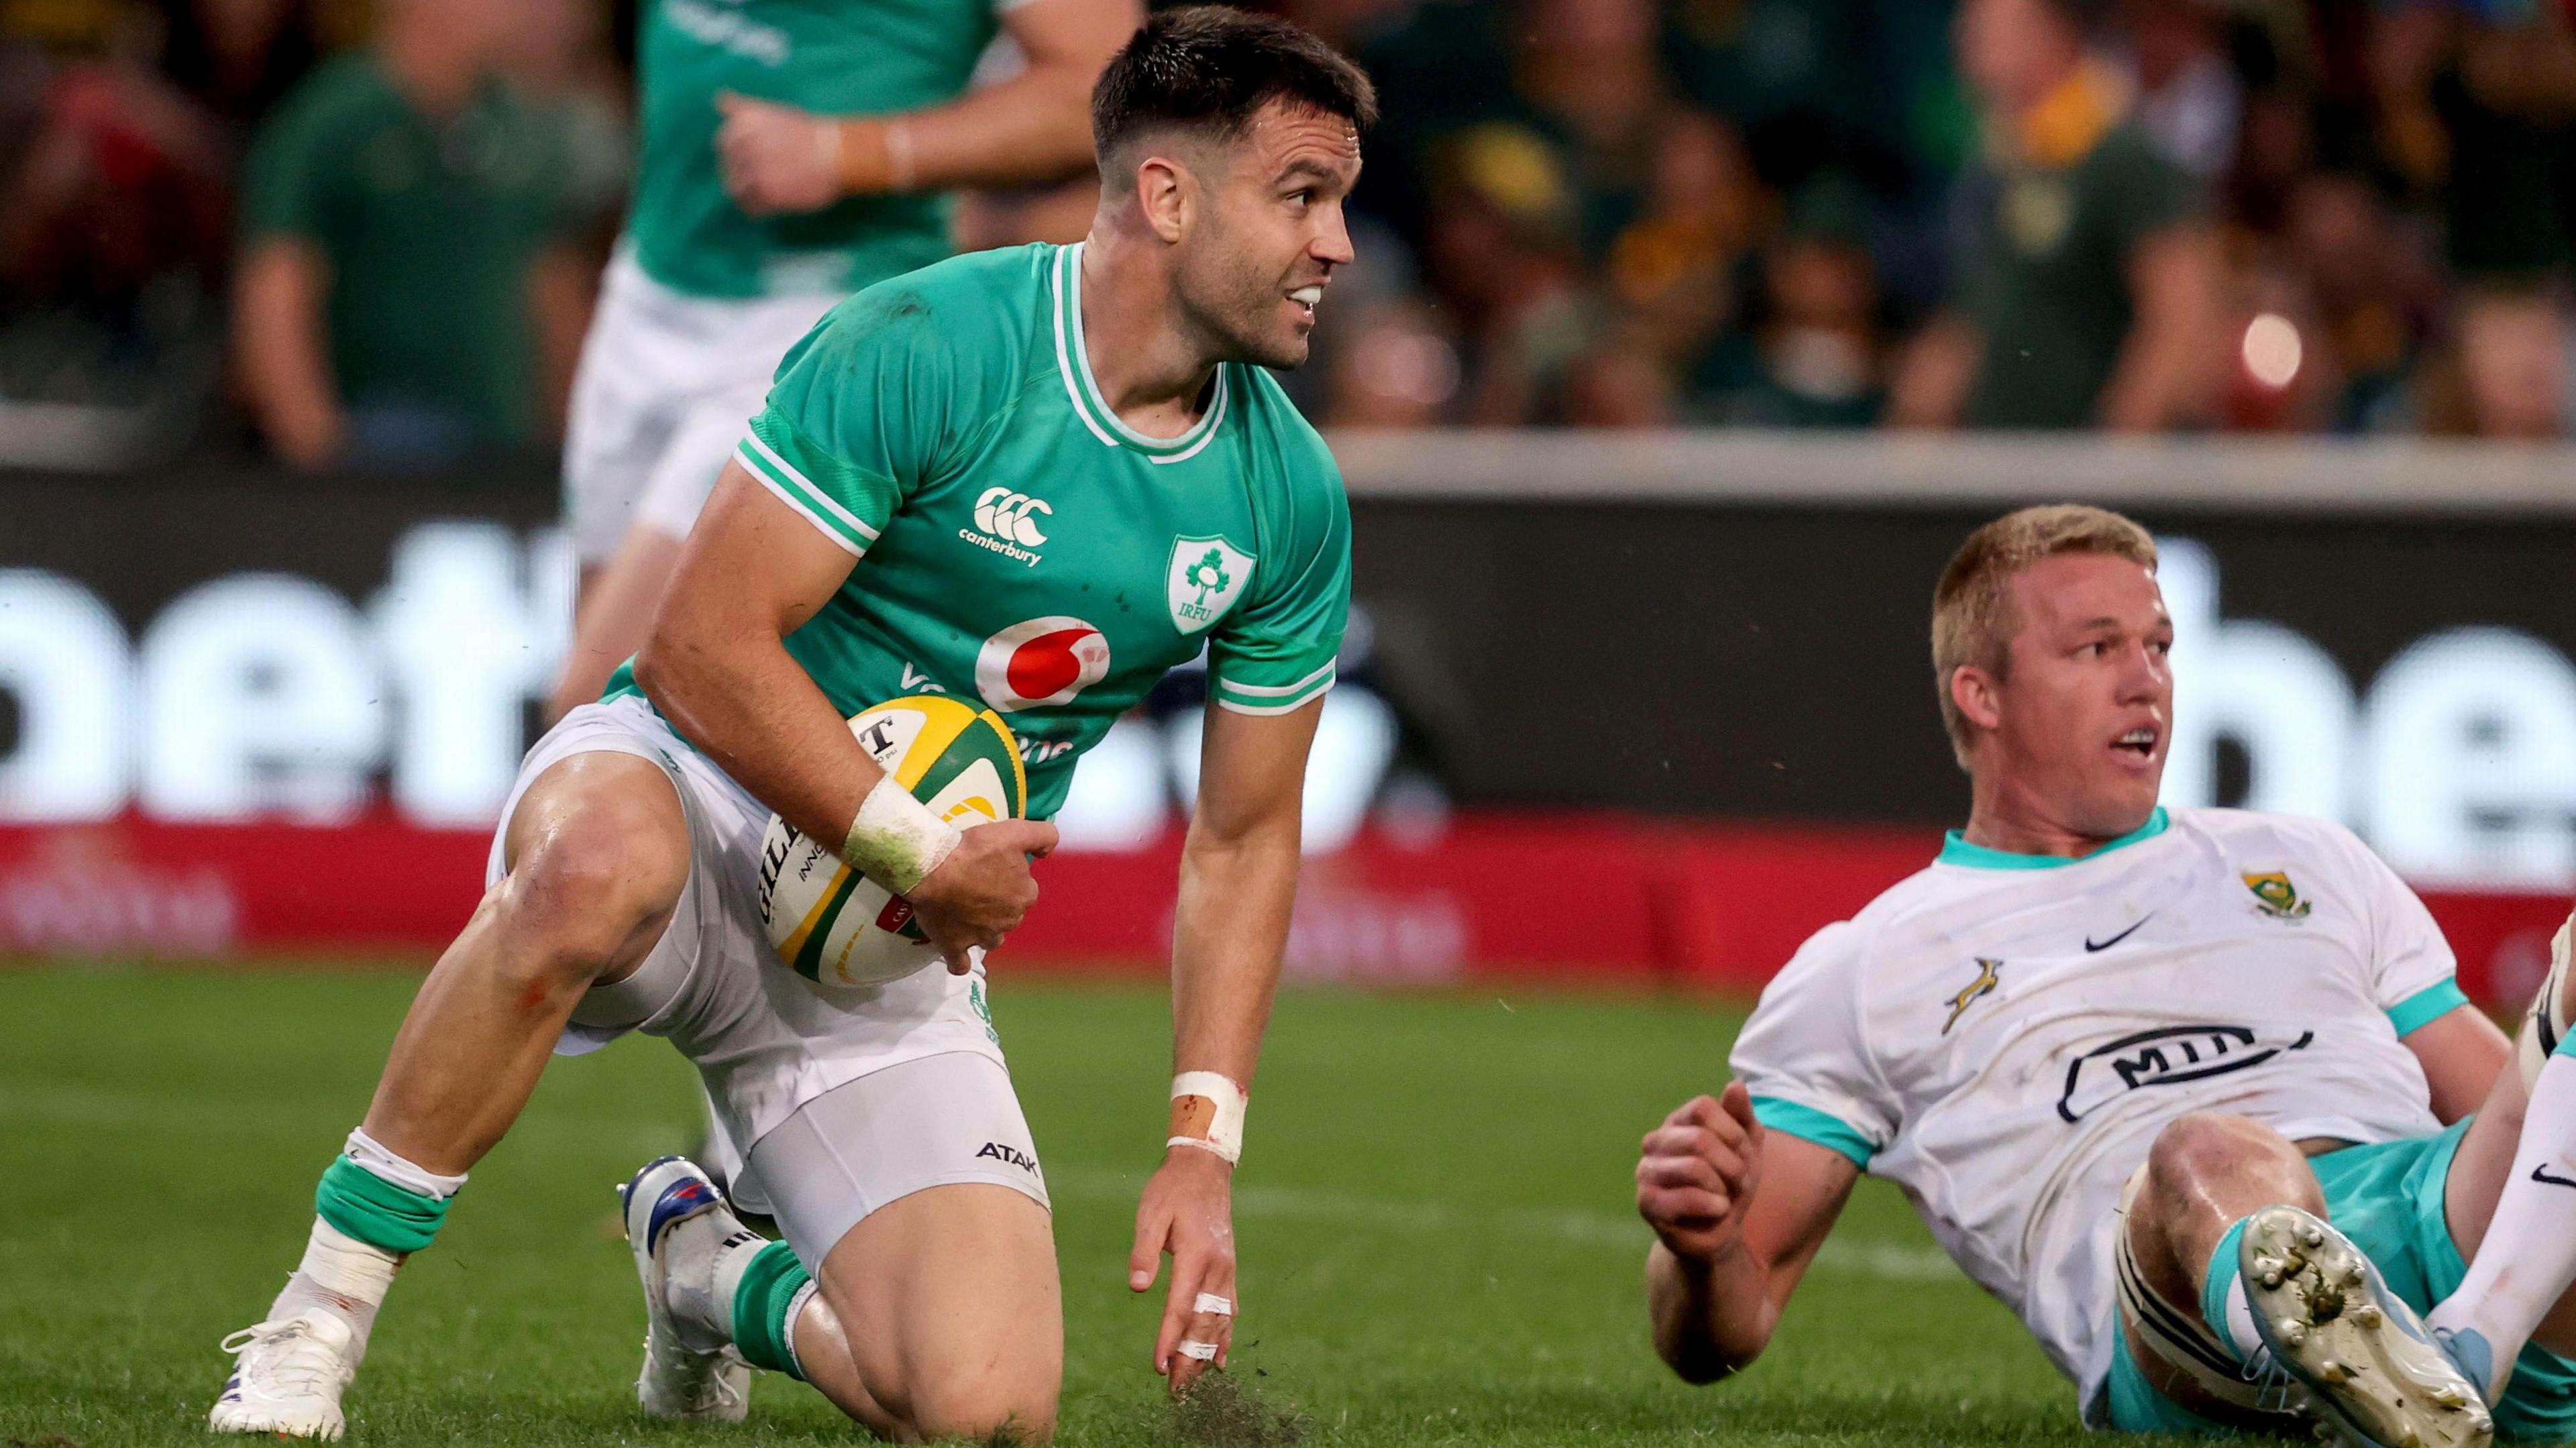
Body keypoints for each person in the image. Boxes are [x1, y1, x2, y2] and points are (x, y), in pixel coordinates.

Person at [208, 10, 1373, 1440]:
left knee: (985, 1410)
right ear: (1167, 194)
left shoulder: (1289, 497)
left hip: (875, 956)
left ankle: (706, 1264)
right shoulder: (928, 341)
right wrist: (914, 848)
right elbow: (695, 648)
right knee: (584, 873)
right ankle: (312, 1322)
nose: (1340, 247)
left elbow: (1245, 837)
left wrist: (1203, 1146)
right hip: (689, 799)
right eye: (1303, 197)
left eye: (1342, 203)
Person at [1637, 504, 2576, 1446]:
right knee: (2205, 1153)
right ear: (1982, 693)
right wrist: (1704, 1251)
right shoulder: (1869, 964)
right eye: (2095, 650)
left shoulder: (2312, 857)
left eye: (2159, 645)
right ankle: (2326, 1362)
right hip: (2184, 1310)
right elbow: (1727, 1323)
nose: (2147, 681)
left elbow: (2519, 1114)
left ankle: (2461, 1352)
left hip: (2435, 1217)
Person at [541, 0, 1140, 719]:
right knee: (635, 710)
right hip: (651, 279)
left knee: (596, 704)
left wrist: (853, 152)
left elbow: (1105, 85)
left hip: (821, 323)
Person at [233, 0, 594, 469]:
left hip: (503, 439)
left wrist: (575, 434)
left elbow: (552, 287)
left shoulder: (522, 126)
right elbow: (277, 279)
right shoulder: (332, 120)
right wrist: (313, 441)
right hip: (378, 435)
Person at [1888, 0, 2224, 431]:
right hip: (2003, 469)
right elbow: (1975, 318)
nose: (1965, 36)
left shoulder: (2122, 155)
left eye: (1989, 23)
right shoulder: (1996, 168)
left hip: (2081, 476)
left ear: (2051, 32)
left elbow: (2183, 318)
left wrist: (2116, 454)